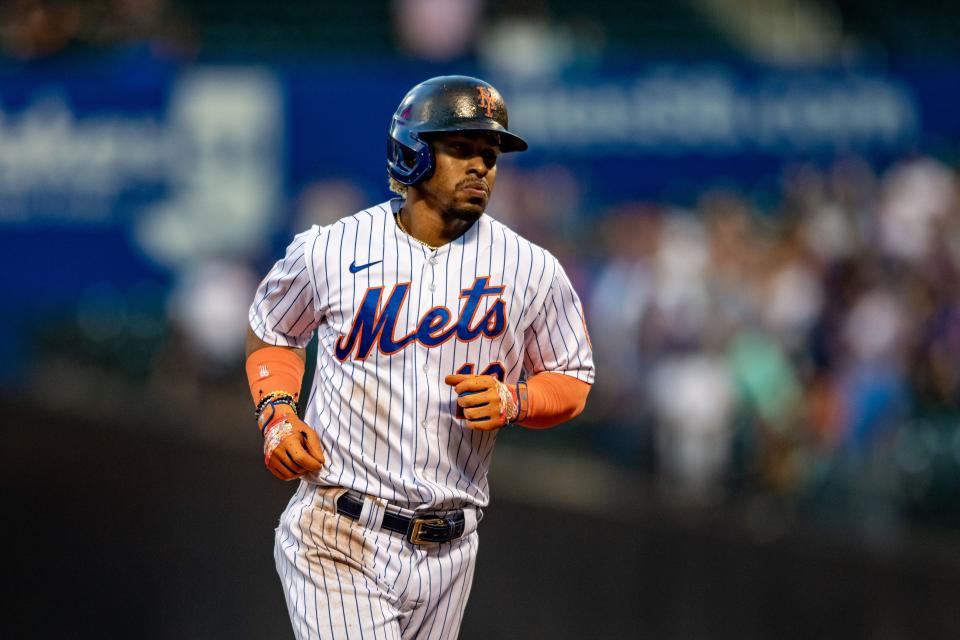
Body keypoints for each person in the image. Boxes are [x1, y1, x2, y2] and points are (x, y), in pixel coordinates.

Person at [244, 75, 595, 639]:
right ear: (412, 153)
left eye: (490, 154)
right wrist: (278, 413)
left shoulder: (531, 269)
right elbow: (273, 332)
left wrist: (516, 399)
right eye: (460, 149)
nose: (481, 166)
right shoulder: (330, 250)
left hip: (451, 550)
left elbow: (572, 378)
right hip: (338, 530)